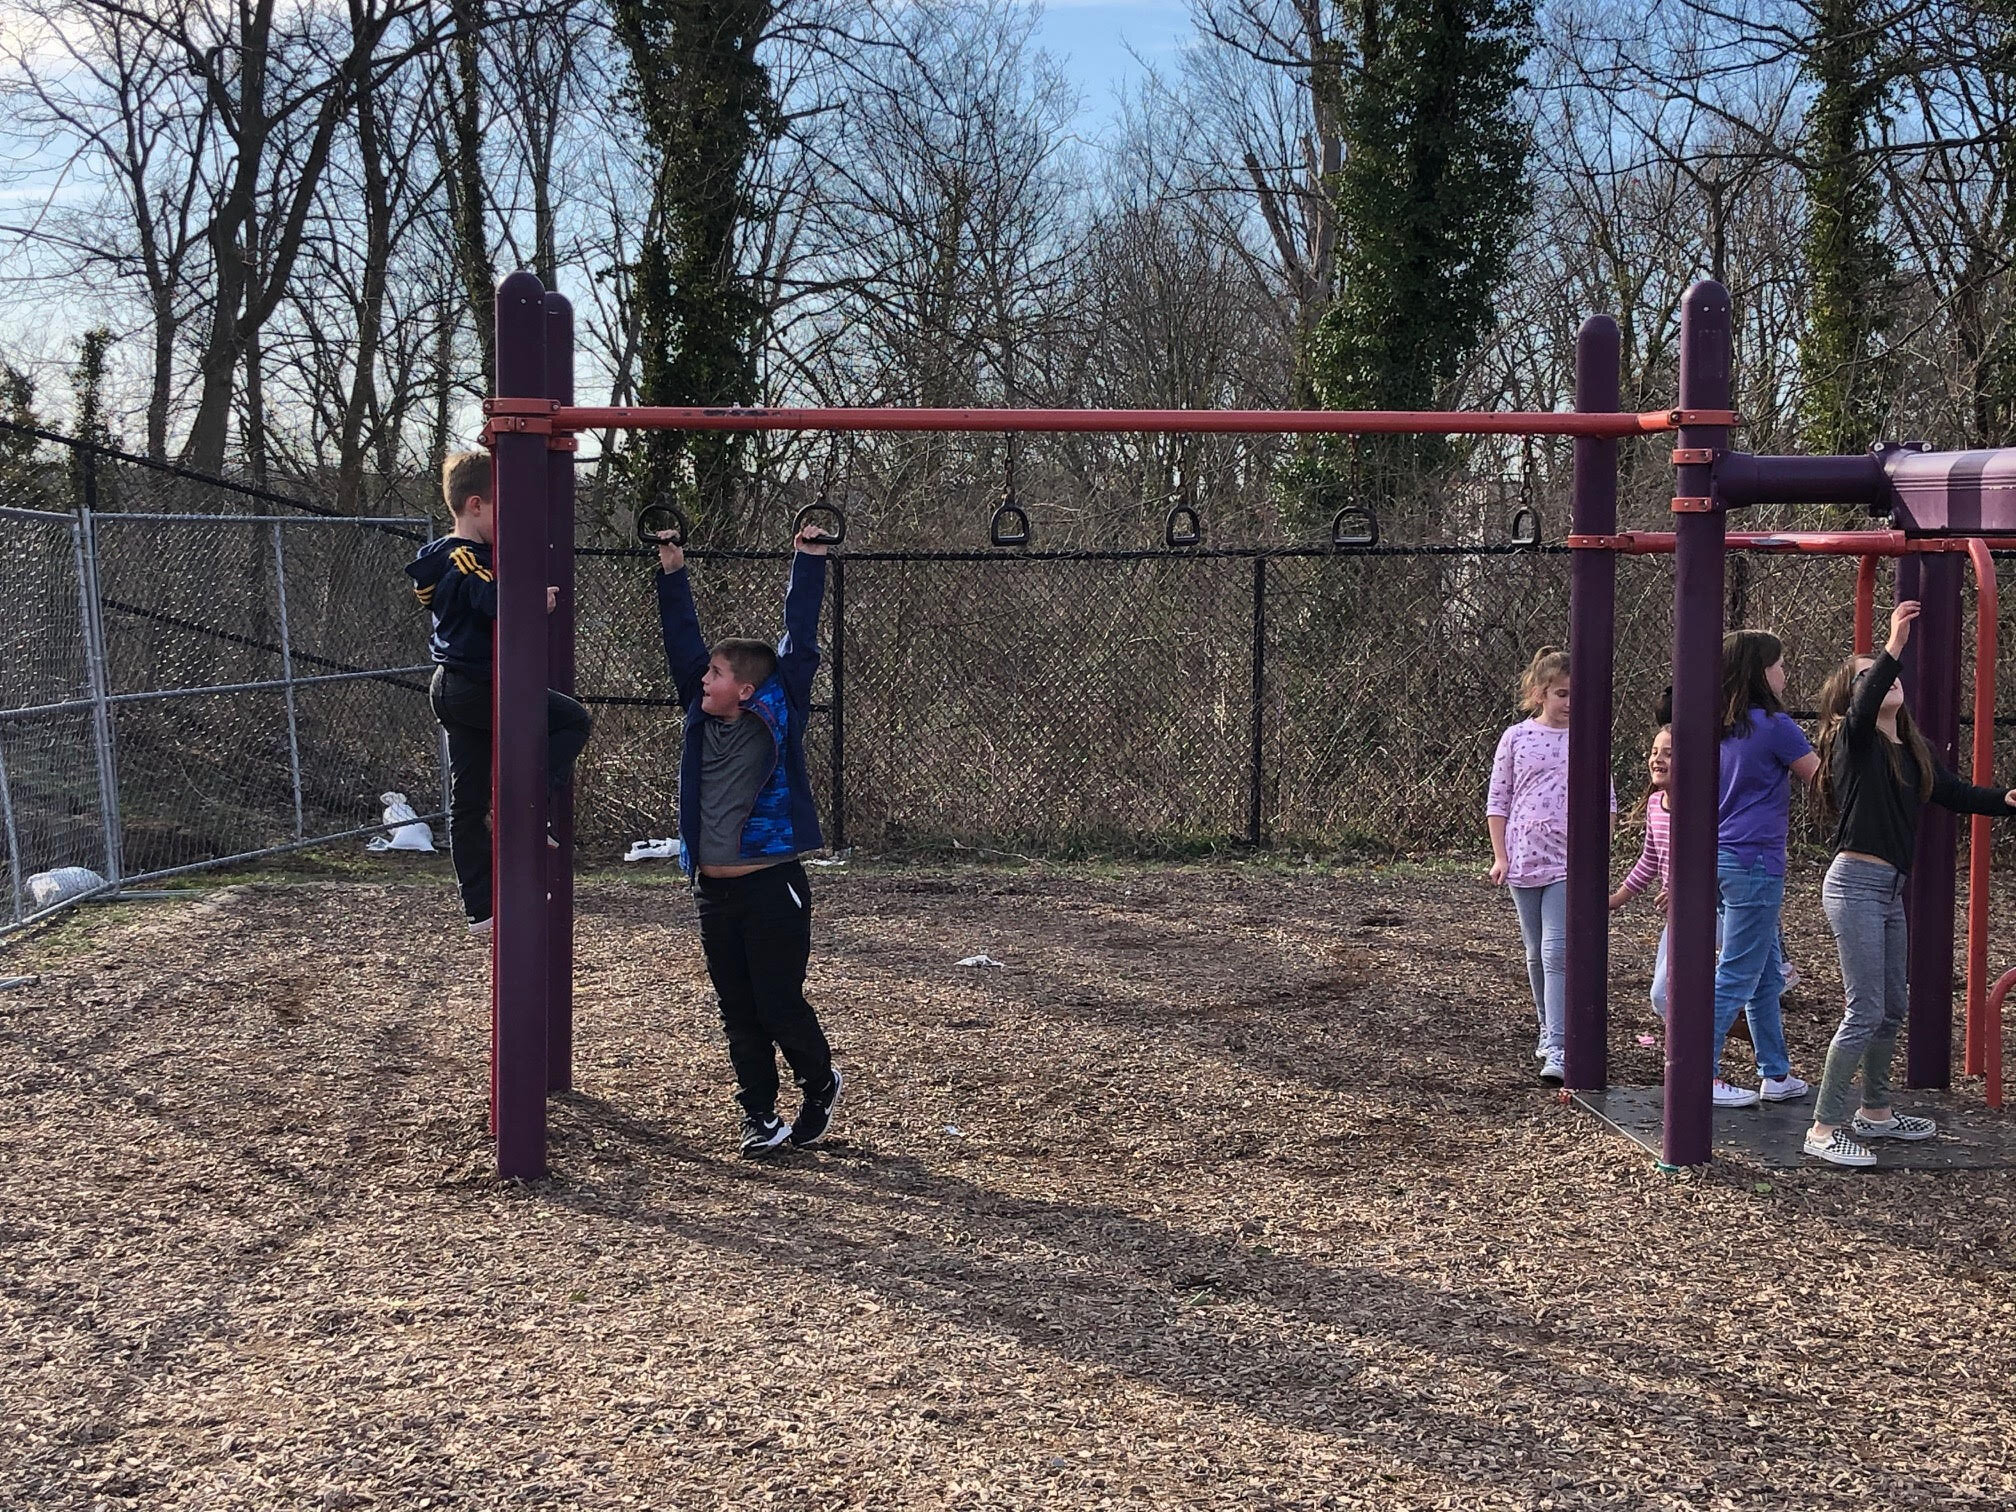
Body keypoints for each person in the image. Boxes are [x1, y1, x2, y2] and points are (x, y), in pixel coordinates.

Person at [1803, 601, 2016, 1166]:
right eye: (1867, 676)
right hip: (1853, 885)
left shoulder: (1909, 751)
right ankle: (1823, 1127)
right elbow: (1868, 701)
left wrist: (2006, 801)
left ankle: (1874, 1112)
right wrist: (1894, 646)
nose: (1881, 682)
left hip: (1888, 889)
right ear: (1855, 695)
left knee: (1892, 1004)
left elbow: (1955, 793)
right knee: (1864, 1008)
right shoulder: (1855, 742)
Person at [654, 522, 843, 1156]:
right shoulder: (697, 717)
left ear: (747, 689)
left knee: (776, 1003)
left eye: (715, 672)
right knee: (738, 1011)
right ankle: (759, 1116)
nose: (703, 678)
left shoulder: (778, 708)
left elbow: (801, 640)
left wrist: (809, 558)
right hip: (714, 892)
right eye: (704, 672)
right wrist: (672, 568)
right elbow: (681, 640)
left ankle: (818, 1083)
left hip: (771, 886)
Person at [404, 450, 593, 936]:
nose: (508, 523)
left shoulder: (442, 557)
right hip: (476, 686)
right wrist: (533, 598)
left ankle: (480, 908)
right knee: (571, 720)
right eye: (501, 510)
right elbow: (489, 598)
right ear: (474, 506)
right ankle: (528, 805)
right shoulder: (463, 556)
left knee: (466, 799)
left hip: (454, 688)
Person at [1709, 629, 1821, 1108]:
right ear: (1760, 672)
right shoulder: (1775, 725)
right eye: (1778, 664)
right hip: (1756, 861)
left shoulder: (1715, 724)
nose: (1785, 673)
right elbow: (1822, 777)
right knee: (1737, 972)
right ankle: (1699, 1070)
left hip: (1717, 857)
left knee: (1767, 974)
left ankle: (1776, 1074)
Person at [1488, 646, 1610, 1083]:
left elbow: (1606, 800)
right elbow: (1499, 799)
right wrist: (1501, 855)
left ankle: (1559, 1045)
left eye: (1575, 694)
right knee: (1535, 951)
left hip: (1568, 860)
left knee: (1557, 949)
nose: (1570, 703)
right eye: (1561, 693)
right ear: (1540, 694)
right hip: (1525, 856)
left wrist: (1598, 853)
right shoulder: (1517, 737)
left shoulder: (1588, 738)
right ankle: (1547, 1027)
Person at [1610, 725, 1673, 1019]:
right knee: (1661, 997)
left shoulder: (1705, 806)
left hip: (1717, 911)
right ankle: (1724, 1026)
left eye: (1669, 754)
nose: (1658, 759)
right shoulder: (1654, 805)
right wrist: (1616, 899)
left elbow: (1718, 861)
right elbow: (1650, 860)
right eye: (1654, 752)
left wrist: (1682, 893)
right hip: (1678, 917)